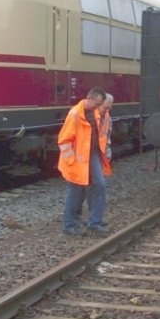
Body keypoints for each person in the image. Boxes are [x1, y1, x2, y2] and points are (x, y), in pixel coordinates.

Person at [58, 86, 112, 236]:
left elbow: (97, 135)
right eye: (96, 104)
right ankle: (69, 226)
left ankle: (95, 222)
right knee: (75, 191)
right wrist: (71, 161)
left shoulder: (94, 112)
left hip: (91, 155)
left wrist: (103, 152)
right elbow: (64, 140)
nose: (98, 107)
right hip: (77, 159)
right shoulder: (75, 113)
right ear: (89, 98)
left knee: (99, 184)